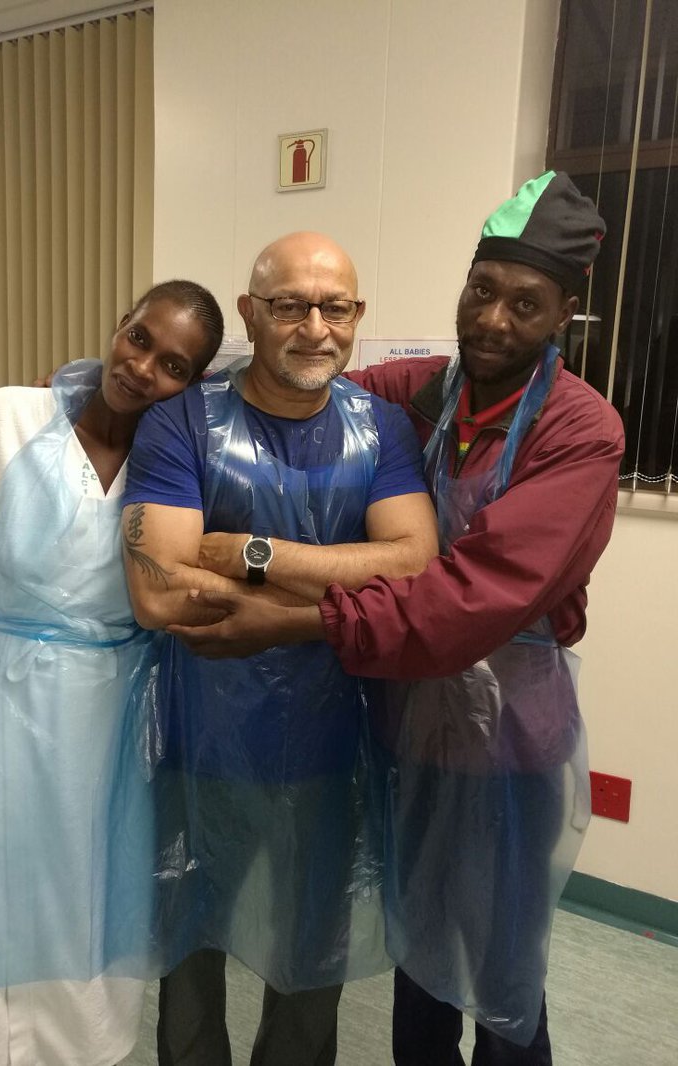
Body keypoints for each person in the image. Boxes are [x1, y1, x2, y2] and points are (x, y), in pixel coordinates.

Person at [167, 173, 625, 1065]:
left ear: (564, 315)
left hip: (505, 742)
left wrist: (286, 614)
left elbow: (469, 600)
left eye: (525, 304)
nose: (493, 319)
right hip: (407, 728)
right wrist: (117, 399)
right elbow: (289, 376)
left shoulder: (580, 430)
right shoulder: (418, 395)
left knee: (500, 981)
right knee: (419, 963)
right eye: (481, 290)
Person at [120, 231, 439, 1066]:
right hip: (199, 739)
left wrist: (256, 557)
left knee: (310, 967)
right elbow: (160, 590)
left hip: (334, 745)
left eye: (336, 307)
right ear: (251, 313)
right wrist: (347, 582)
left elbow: (415, 565)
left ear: (358, 315)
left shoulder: (383, 430)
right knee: (190, 948)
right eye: (291, 305)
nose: (315, 328)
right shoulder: (181, 424)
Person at [0, 280, 224, 1066]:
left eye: (174, 365)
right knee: (17, 905)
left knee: (105, 904)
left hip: (124, 720)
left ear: (193, 384)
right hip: (14, 706)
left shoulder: (174, 464)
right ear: (119, 326)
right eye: (140, 339)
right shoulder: (10, 417)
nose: (143, 367)